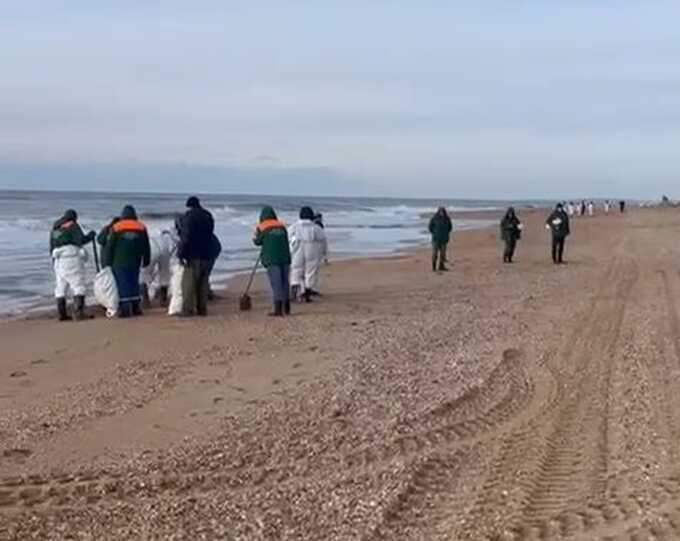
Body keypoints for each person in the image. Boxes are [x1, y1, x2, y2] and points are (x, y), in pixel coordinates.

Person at [102, 205, 151, 318]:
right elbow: (146, 246)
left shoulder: (116, 227)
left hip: (119, 261)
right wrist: (146, 260)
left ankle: (125, 310)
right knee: (134, 283)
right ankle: (136, 308)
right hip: (135, 261)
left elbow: (110, 247)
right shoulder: (141, 227)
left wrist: (107, 262)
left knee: (122, 284)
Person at [50, 209, 96, 321]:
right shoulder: (73, 226)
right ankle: (79, 313)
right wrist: (91, 235)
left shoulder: (55, 229)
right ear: (74, 218)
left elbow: (51, 247)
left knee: (61, 287)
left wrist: (54, 264)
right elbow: (80, 240)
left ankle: (62, 314)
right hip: (72, 258)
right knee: (78, 285)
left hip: (59, 260)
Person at [178, 196, 215, 316]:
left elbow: (186, 237)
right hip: (208, 254)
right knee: (203, 283)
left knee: (189, 283)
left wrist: (181, 254)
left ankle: (188, 310)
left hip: (194, 254)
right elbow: (211, 234)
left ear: (189, 206)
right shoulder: (208, 215)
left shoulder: (189, 217)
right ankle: (202, 309)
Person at [253, 206, 291, 316]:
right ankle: (287, 308)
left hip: (272, 259)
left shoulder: (262, 226)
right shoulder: (282, 226)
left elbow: (258, 242)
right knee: (285, 282)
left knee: (276, 284)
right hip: (285, 257)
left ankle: (278, 310)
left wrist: (255, 237)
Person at [289, 206, 328, 302]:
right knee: (310, 271)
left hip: (297, 249)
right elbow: (324, 242)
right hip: (312, 249)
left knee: (296, 269)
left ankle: (295, 291)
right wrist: (324, 254)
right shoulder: (317, 228)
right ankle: (307, 292)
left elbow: (287, 238)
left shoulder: (293, 227)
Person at [141, 229, 176, 307]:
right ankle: (163, 299)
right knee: (165, 274)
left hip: (151, 247)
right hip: (164, 248)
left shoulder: (147, 232)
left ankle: (145, 300)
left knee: (144, 274)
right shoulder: (169, 235)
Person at [428, 207, 452, 272]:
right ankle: (434, 267)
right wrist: (435, 233)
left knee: (443, 254)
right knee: (435, 254)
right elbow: (430, 227)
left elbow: (450, 228)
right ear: (438, 212)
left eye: (443, 212)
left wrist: (446, 234)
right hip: (436, 239)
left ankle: (441, 266)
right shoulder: (434, 218)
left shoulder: (447, 219)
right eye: (440, 211)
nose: (442, 213)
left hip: (444, 239)